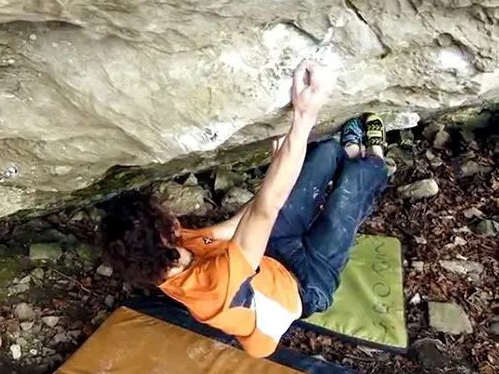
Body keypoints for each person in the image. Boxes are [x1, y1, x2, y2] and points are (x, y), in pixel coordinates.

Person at [101, 60, 389, 358]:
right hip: (308, 286)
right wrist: (305, 114)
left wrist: (275, 175)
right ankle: (373, 157)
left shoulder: (170, 253)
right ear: (163, 235)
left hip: (270, 255)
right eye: (162, 214)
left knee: (324, 154)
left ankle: (347, 151)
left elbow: (237, 225)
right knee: (348, 195)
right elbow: (267, 208)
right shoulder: (215, 286)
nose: (170, 213)